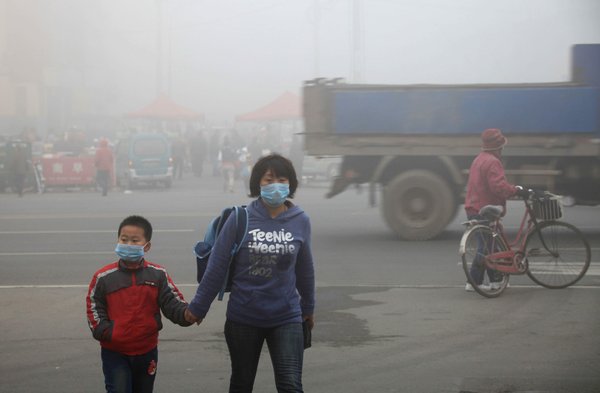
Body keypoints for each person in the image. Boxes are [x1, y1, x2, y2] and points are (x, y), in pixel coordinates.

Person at [185, 153, 315, 393]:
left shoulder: (300, 220)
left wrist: (308, 308)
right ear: (257, 184)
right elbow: (217, 266)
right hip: (244, 318)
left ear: (291, 184)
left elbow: (305, 270)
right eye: (268, 180)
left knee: (290, 385)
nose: (275, 185)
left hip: (286, 317)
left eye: (282, 180)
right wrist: (198, 307)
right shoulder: (240, 218)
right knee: (242, 384)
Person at [86, 215, 192, 393]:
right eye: (124, 239)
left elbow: (172, 302)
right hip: (115, 352)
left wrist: (188, 314)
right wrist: (106, 331)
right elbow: (93, 305)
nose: (128, 244)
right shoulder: (103, 277)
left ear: (146, 246)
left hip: (147, 350)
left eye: (135, 241)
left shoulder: (157, 274)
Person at [464, 128, 528, 291]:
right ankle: (474, 282)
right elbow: (498, 187)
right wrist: (516, 190)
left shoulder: (479, 159)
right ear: (498, 147)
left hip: (474, 206)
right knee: (485, 247)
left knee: (491, 245)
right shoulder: (493, 162)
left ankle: (495, 280)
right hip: (484, 209)